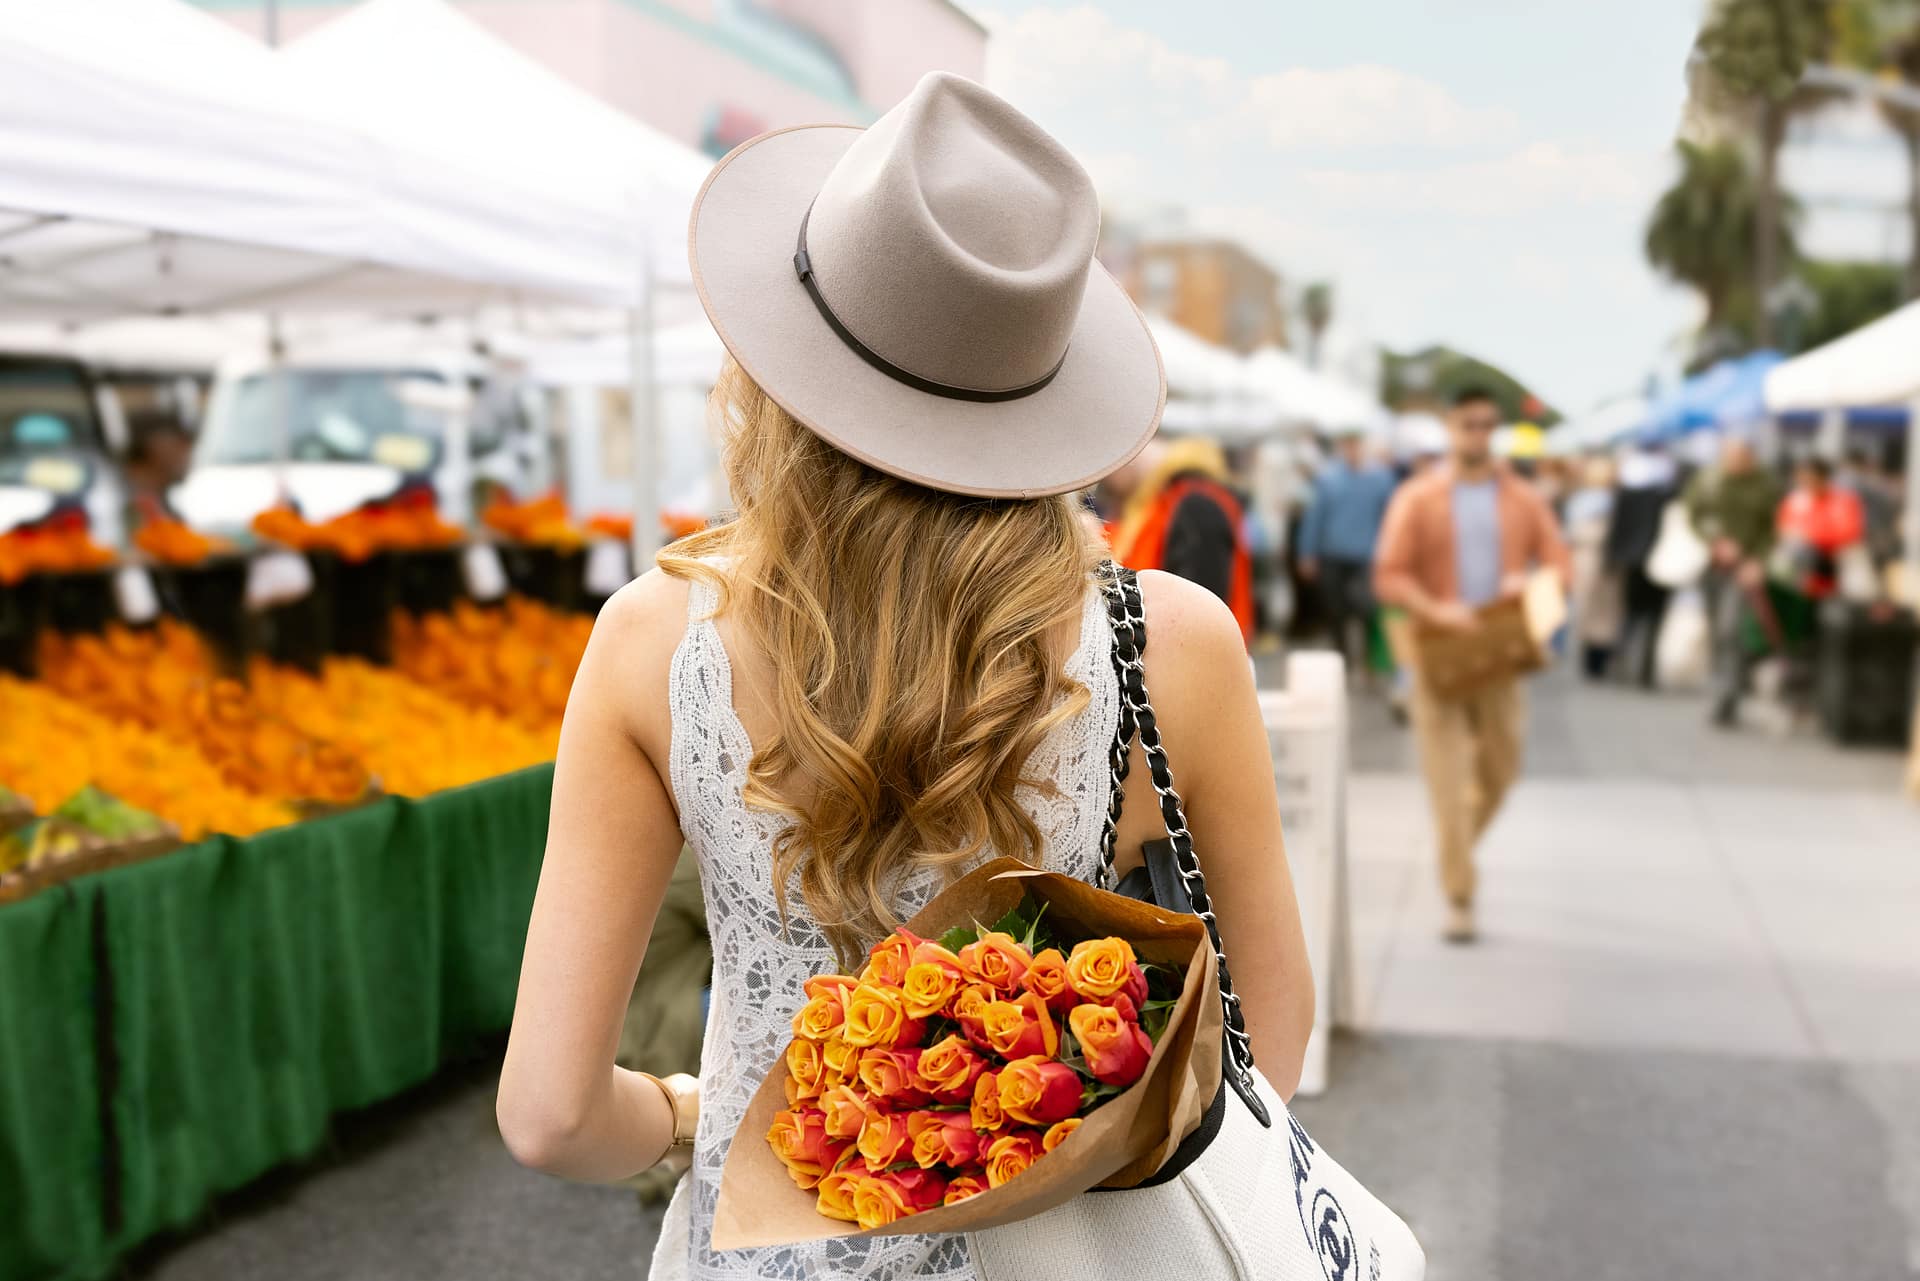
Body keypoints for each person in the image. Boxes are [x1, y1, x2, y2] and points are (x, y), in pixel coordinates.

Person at [496, 72, 1316, 1281]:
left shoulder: (650, 640)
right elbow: (1269, 1034)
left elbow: (550, 1116)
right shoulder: (1171, 641)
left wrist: (687, 1115)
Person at [1373, 385, 1569, 943]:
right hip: (1438, 654)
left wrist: (1531, 590)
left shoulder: (1522, 498)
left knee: (1499, 774)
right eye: (1468, 424)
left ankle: (1453, 848)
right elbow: (1390, 574)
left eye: (1487, 424)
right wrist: (1437, 608)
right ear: (1450, 427)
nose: (1478, 434)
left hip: (1502, 655)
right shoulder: (1418, 496)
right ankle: (1459, 894)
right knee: (1447, 781)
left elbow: (1559, 563)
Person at [1109, 435, 1256, 643]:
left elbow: (1199, 613)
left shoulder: (1195, 504)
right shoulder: (1175, 500)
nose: (1105, 481)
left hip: (1195, 659)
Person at [1682, 437, 1782, 725]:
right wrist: (1714, 541)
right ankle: (1720, 685)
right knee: (1716, 628)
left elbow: (1773, 527)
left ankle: (1728, 694)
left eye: (1740, 456)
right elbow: (1693, 514)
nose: (1734, 461)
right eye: (1729, 455)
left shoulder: (1766, 485)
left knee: (1730, 629)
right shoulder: (1709, 479)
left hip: (1745, 568)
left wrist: (1757, 560)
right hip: (1711, 565)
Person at [1297, 427, 1396, 681]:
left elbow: (1391, 517)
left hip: (1366, 556)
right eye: (1347, 445)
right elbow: (1314, 518)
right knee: (1336, 610)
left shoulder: (1380, 479)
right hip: (1333, 554)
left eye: (1356, 444)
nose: (1352, 450)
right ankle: (1342, 660)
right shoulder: (1328, 479)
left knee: (1366, 608)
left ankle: (1367, 662)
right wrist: (1307, 552)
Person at [1603, 446, 1678, 688]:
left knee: (1634, 615)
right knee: (1646, 617)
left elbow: (1617, 529)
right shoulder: (1667, 495)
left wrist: (1612, 558)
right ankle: (1640, 667)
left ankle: (1626, 662)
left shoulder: (1629, 493)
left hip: (1640, 561)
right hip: (1655, 562)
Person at [1564, 455, 1622, 680]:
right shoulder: (1607, 500)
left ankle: (1593, 653)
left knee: (1592, 608)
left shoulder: (1583, 500)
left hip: (1592, 558)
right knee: (1601, 609)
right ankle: (1597, 654)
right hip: (1597, 558)